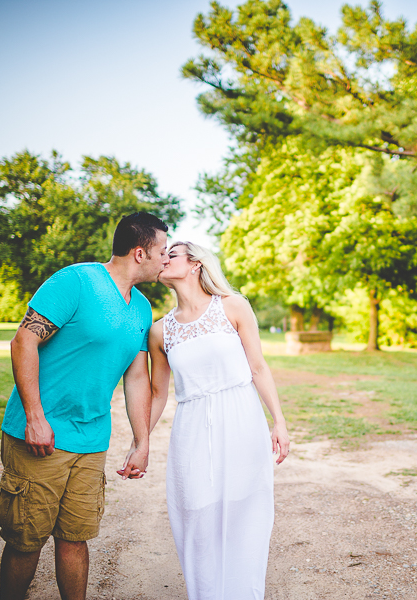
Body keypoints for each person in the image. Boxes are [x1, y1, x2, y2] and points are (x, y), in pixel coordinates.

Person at [0, 212, 169, 600]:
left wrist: (142, 442)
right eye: (162, 251)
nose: (166, 259)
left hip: (91, 442)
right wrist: (35, 418)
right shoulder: (75, 281)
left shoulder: (141, 309)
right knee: (27, 539)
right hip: (42, 435)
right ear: (140, 253)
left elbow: (137, 377)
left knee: (75, 539)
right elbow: (24, 341)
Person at [136, 241, 289, 600]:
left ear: (195, 264)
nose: (163, 259)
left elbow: (258, 367)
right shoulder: (161, 331)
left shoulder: (233, 306)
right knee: (196, 514)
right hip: (191, 427)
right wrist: (140, 442)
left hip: (241, 420)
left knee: (245, 511)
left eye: (171, 254)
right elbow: (158, 394)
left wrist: (278, 421)